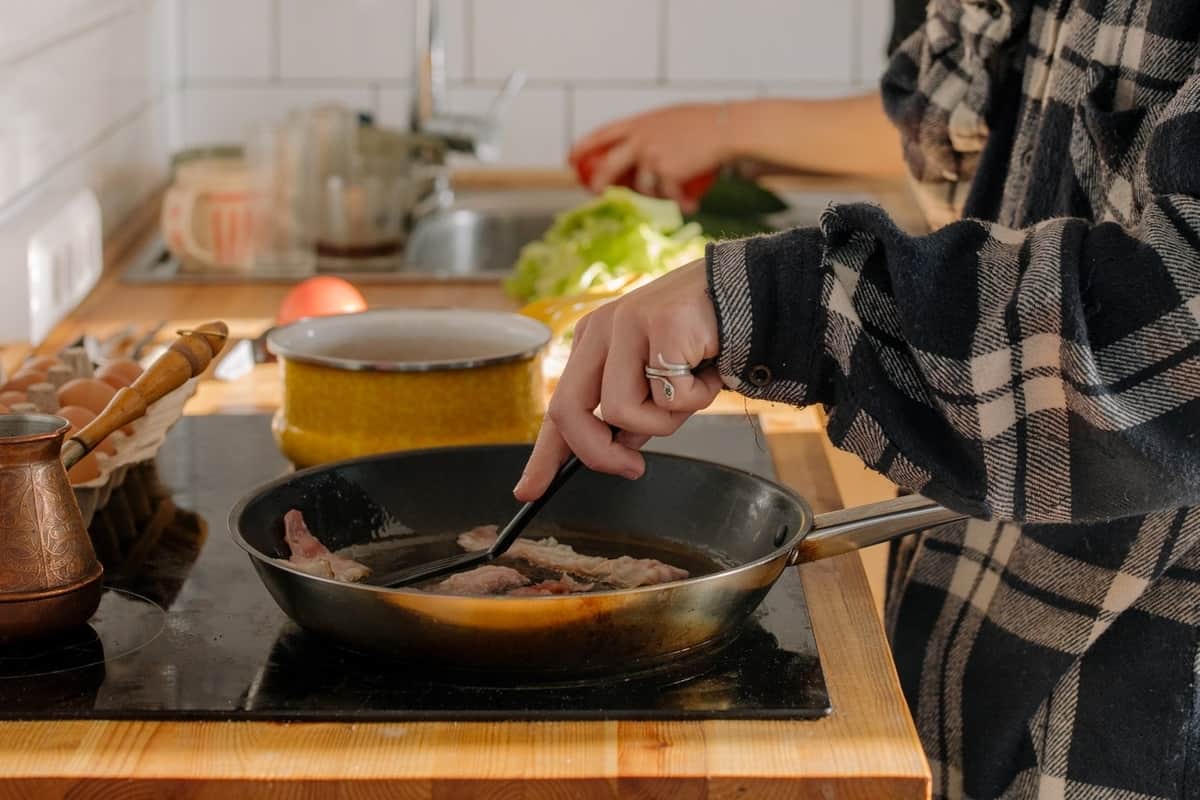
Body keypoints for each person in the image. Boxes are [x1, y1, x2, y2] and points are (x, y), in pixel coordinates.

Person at [515, 2, 1200, 799]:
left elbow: (1180, 325)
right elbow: (950, 138)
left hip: (1135, 722)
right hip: (968, 670)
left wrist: (789, 304)